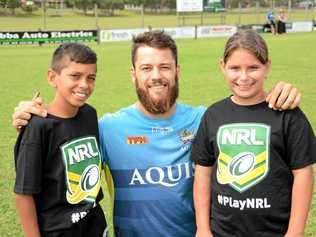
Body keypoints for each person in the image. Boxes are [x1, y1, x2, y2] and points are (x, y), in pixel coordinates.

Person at [12, 31, 302, 237]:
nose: (156, 76)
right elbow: (64, 137)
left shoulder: (206, 119)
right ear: (133, 74)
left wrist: (280, 91)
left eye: (164, 67)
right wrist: (31, 114)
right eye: (146, 68)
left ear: (177, 71)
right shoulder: (107, 127)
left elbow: (246, 110)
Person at [192, 30, 315, 237]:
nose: (244, 77)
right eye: (234, 68)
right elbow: (203, 174)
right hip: (223, 231)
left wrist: (295, 232)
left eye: (253, 68)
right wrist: (203, 229)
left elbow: (303, 174)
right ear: (222, 66)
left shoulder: (287, 115)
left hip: (275, 231)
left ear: (267, 66)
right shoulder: (213, 115)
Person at [13, 43, 107, 237]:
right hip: (59, 230)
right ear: (52, 77)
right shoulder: (38, 127)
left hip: (93, 223)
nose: (84, 84)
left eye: (91, 78)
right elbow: (23, 192)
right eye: (75, 76)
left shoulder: (90, 114)